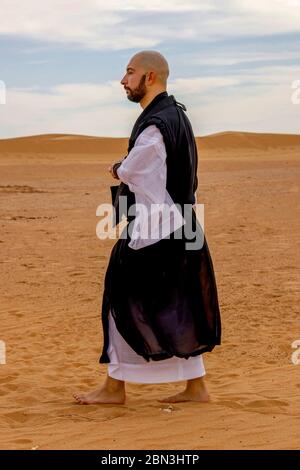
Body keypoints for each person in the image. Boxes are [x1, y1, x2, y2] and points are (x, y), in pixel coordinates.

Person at [73, 51, 221, 405]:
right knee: (180, 303)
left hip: (156, 229)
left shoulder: (156, 124)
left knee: (120, 301)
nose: (123, 80)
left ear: (150, 77)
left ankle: (113, 388)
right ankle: (196, 387)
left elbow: (137, 168)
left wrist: (118, 167)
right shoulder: (176, 116)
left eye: (129, 72)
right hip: (182, 226)